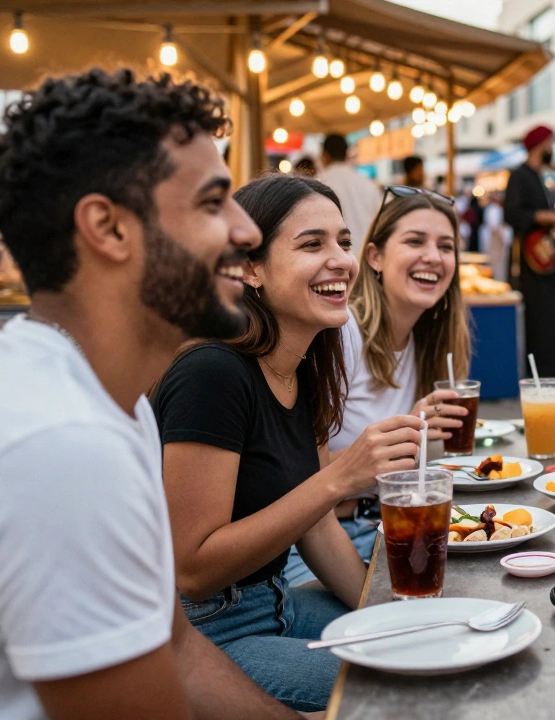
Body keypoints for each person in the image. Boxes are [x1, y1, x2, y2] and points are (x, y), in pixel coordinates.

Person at [0, 68, 298, 719]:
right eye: (213, 203)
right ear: (109, 227)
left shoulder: (114, 405)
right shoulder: (62, 444)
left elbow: (176, 645)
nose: (247, 231)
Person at [152, 174, 425, 711]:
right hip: (211, 633)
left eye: (343, 242)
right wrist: (337, 481)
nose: (341, 261)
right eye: (311, 244)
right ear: (250, 268)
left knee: (434, 640)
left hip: (280, 603)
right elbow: (193, 569)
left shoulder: (303, 367)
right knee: (406, 681)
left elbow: (317, 528)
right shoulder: (213, 372)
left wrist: (393, 612)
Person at [284, 185, 472, 586]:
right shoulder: (342, 333)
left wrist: (421, 432)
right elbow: (293, 474)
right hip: (322, 541)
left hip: (391, 524)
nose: (434, 257)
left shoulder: (429, 339)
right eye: (415, 241)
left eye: (446, 246)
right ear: (374, 257)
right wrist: (403, 433)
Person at [504, 124, 555, 378]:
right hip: (532, 260)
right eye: (550, 143)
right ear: (540, 145)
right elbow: (512, 214)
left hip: (552, 258)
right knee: (539, 316)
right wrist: (547, 217)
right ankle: (539, 373)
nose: (552, 149)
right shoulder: (520, 176)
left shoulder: (546, 177)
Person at [318, 133, 378, 256]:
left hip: (332, 262)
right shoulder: (368, 185)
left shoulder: (316, 184)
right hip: (366, 261)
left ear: (324, 155)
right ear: (346, 154)